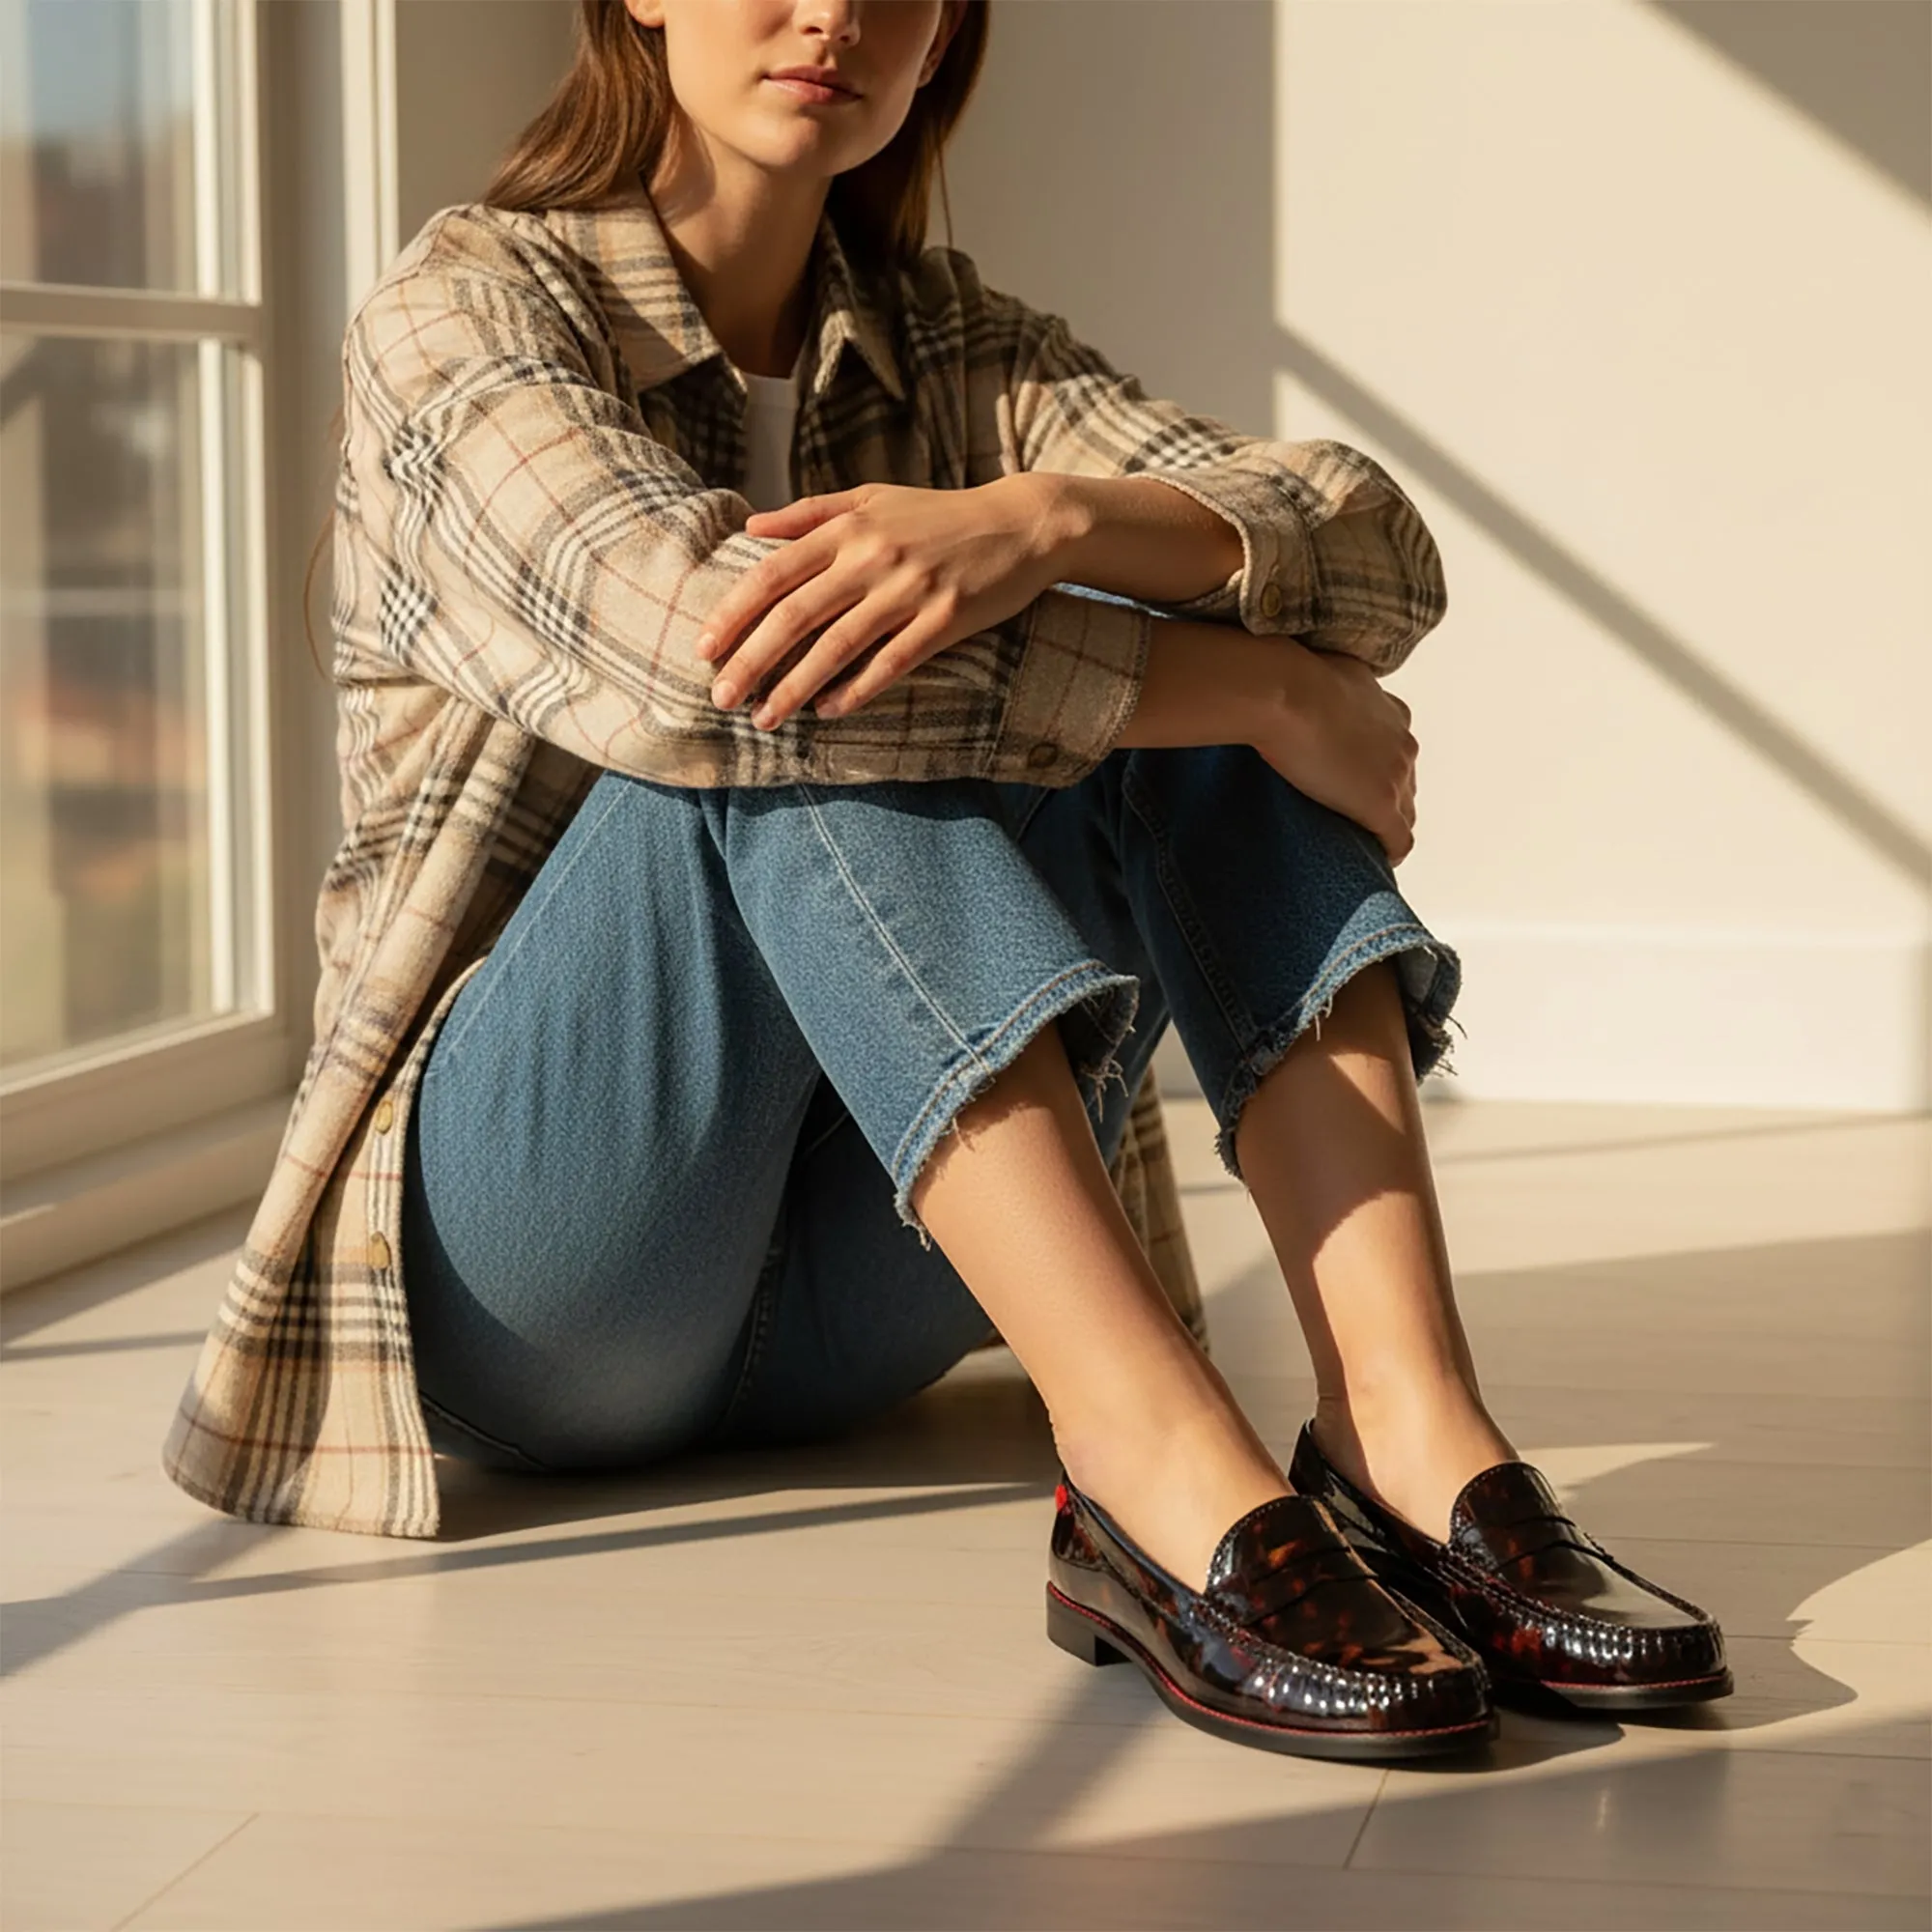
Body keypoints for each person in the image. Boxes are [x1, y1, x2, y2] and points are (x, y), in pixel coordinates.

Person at [162, 0, 1730, 1760]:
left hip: (868, 1288)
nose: (837, 8)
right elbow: (700, 652)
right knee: (809, 691)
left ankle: (1408, 1430)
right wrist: (1265, 689)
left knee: (1204, 664)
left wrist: (1043, 520)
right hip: (537, 1273)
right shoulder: (469, 307)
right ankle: (1147, 1461)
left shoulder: (949, 344)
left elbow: (1364, 543)